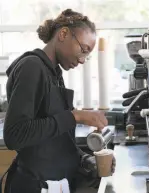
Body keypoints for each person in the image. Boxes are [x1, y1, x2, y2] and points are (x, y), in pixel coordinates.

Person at [2, 9, 115, 193]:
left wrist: (87, 160)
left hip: (55, 184)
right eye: (83, 49)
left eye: (87, 55)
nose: (82, 60)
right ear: (63, 34)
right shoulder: (31, 67)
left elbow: (57, 139)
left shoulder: (54, 73)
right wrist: (75, 116)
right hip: (34, 185)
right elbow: (15, 135)